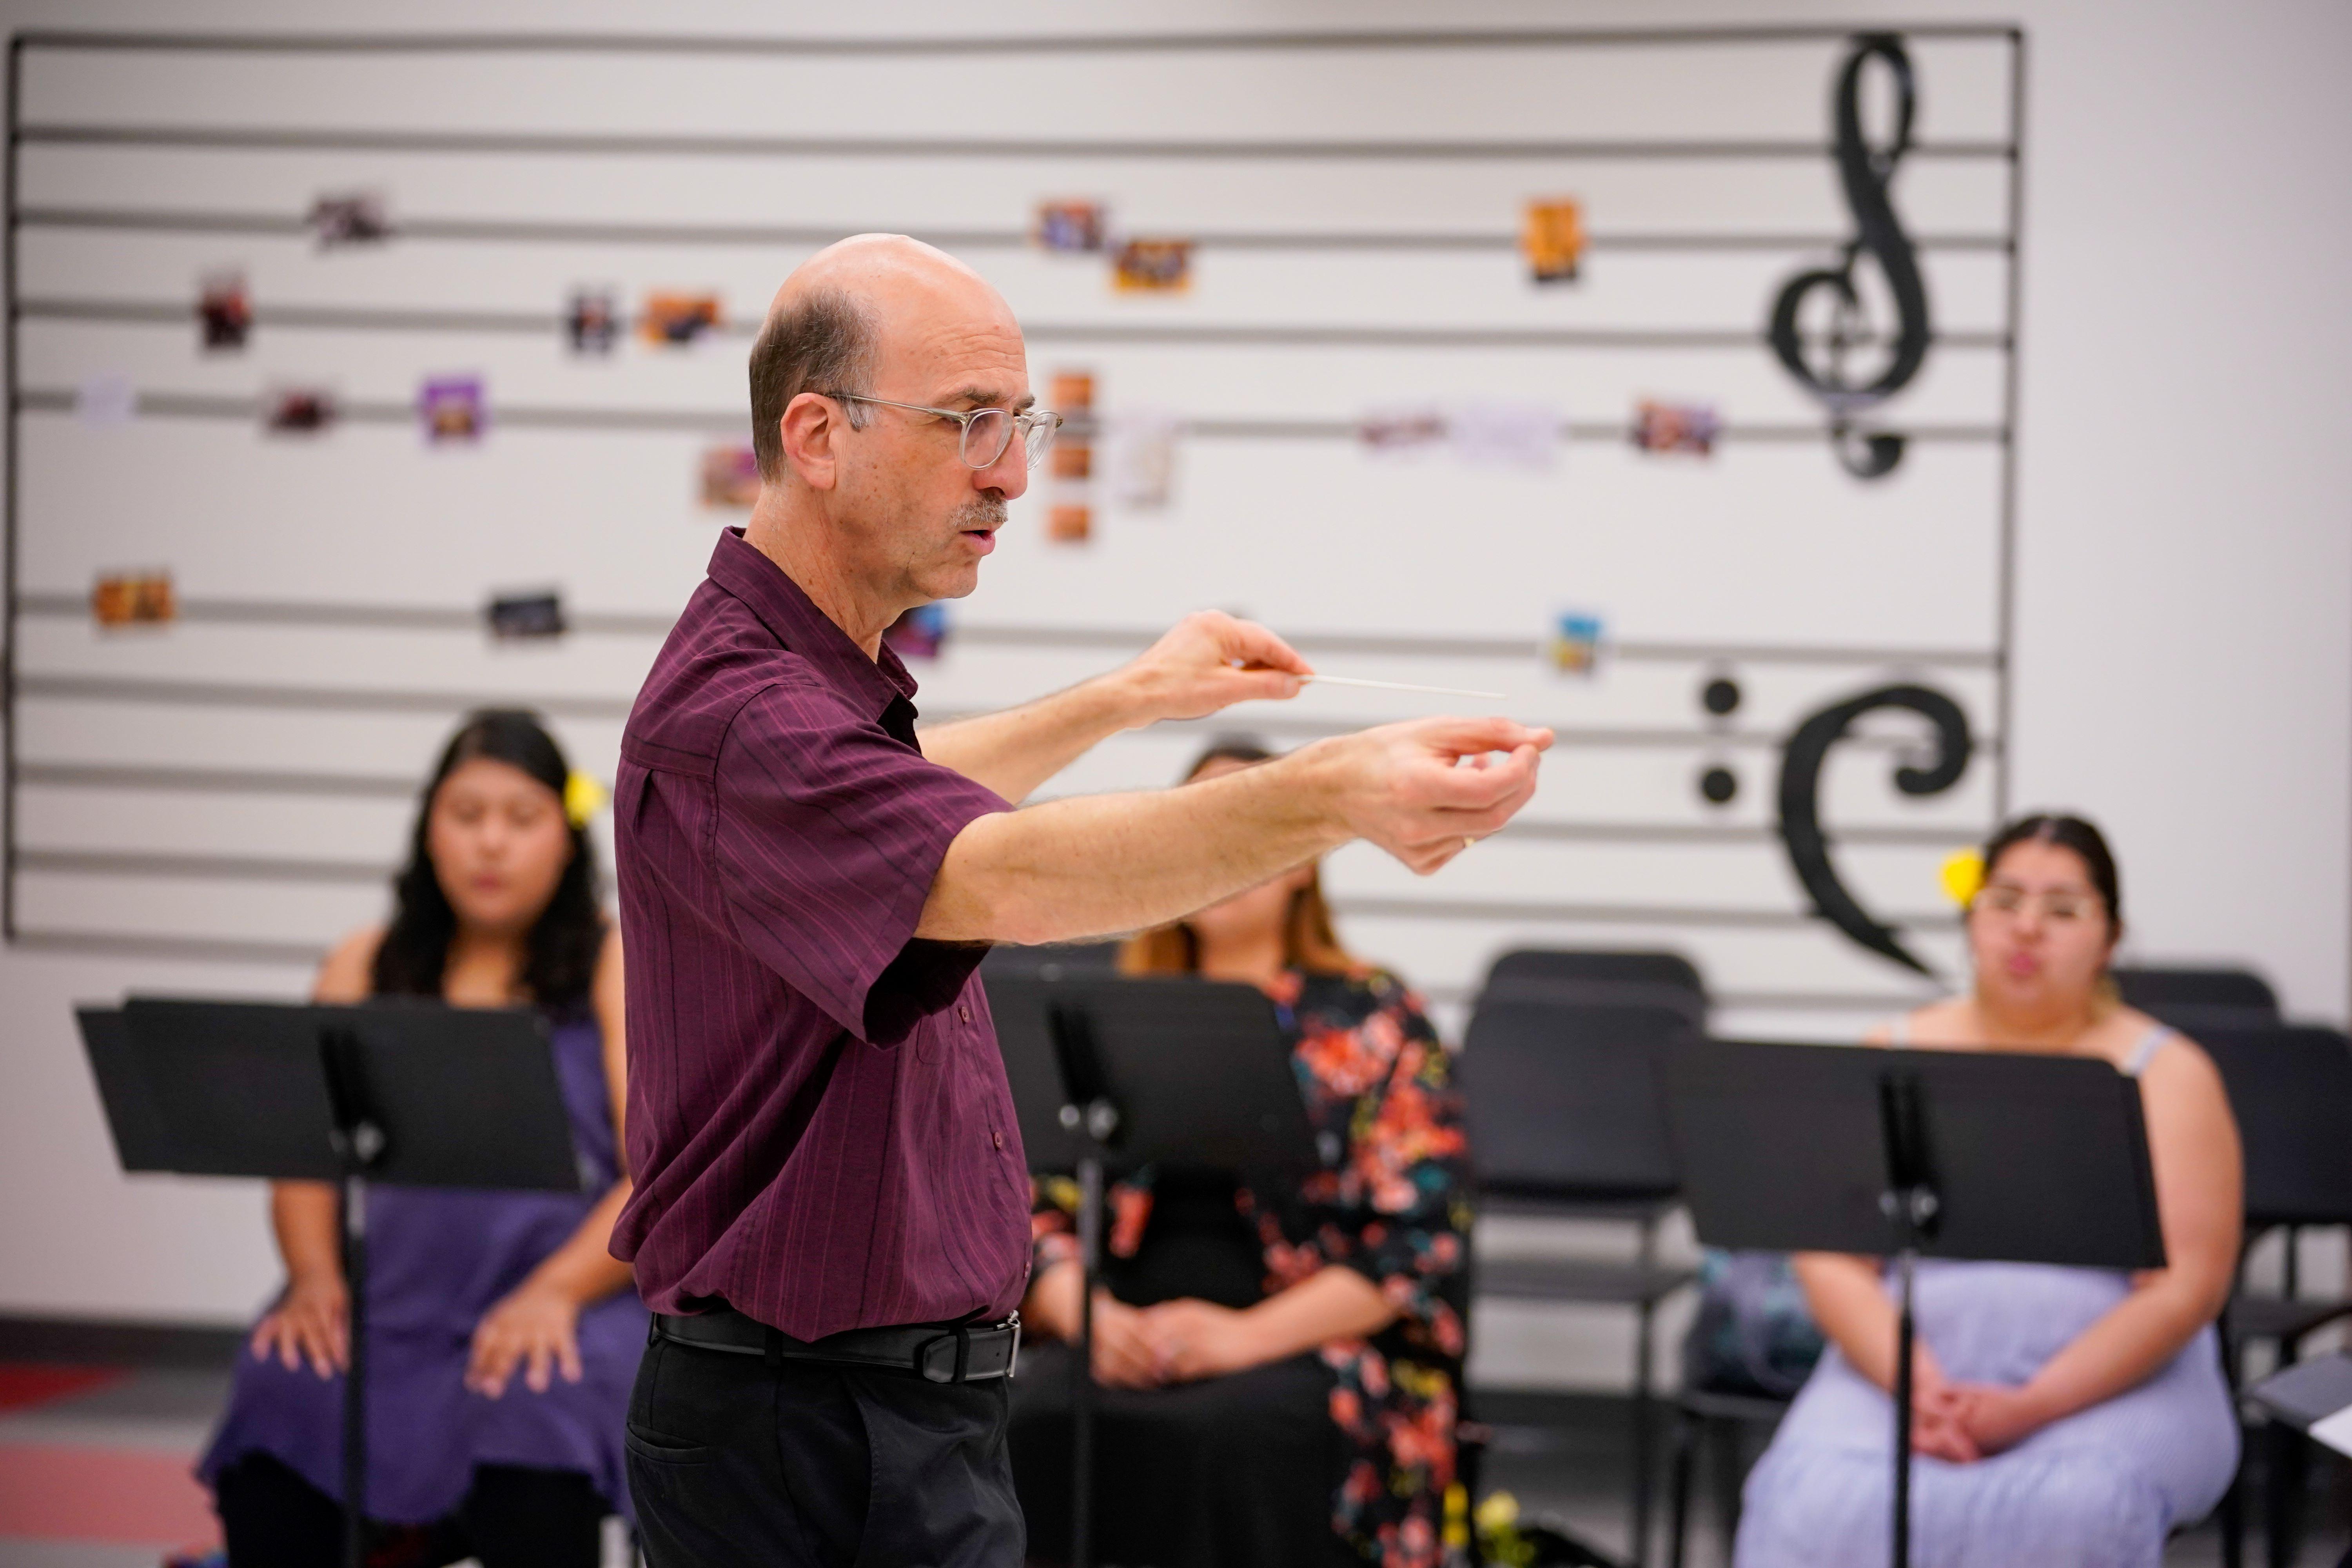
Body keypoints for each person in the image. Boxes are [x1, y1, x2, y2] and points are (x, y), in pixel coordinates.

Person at [611, 233, 1553, 1568]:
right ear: (817, 435)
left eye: (1023, 423)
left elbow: (907, 789)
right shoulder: (744, 718)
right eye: (970, 423)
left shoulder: (808, 690)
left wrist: (1136, 696)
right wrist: (1329, 796)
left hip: (884, 1408)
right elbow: (1003, 873)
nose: (1011, 468)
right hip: (807, 1423)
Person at [1735, 814, 2243, 1568]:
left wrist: (2030, 1407)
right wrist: (1919, 1387)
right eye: (2005, 901)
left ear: (2110, 937)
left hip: (2112, 1384)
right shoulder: (1894, 1051)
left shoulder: (2170, 1073)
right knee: (1805, 1499)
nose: (2027, 929)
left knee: (2077, 1511)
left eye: (2063, 909)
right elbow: (1832, 1259)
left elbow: (2186, 1289)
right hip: (1902, 1374)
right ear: (1972, 922)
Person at [1009, 740, 1471, 1568]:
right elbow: (1030, 1208)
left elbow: (1418, 1239)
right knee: (1039, 1417)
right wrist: (1091, 1319)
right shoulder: (1103, 1011)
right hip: (1126, 1325)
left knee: (1237, 1434)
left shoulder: (1378, 1017)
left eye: (1253, 828)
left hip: (1301, 1339)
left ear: (1304, 864)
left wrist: (1243, 1339)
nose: (1223, 853)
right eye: (1202, 829)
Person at [200, 710, 641, 1568]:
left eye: (520, 818)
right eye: (466, 814)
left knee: (537, 1401)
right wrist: (315, 1276)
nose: (491, 844)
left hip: (572, 1298)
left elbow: (653, 1175)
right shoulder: (362, 962)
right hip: (389, 1304)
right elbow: (304, 1157)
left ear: (566, 837)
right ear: (428, 829)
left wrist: (554, 1291)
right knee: (282, 1376)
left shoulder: (612, 962)